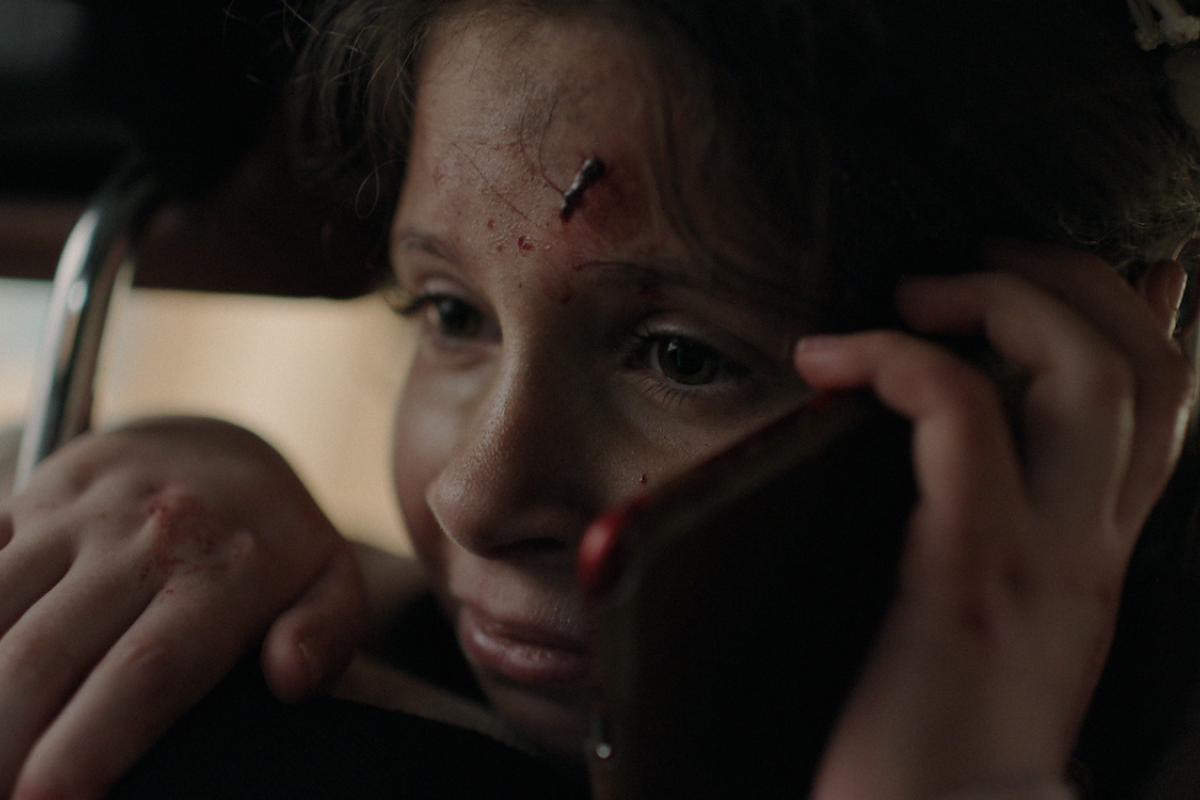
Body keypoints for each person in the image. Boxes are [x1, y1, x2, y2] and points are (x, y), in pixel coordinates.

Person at [2, 0, 1200, 797]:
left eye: (683, 357)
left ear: (1062, 389)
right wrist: (196, 483)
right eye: (451, 314)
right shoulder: (328, 638)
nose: (474, 495)